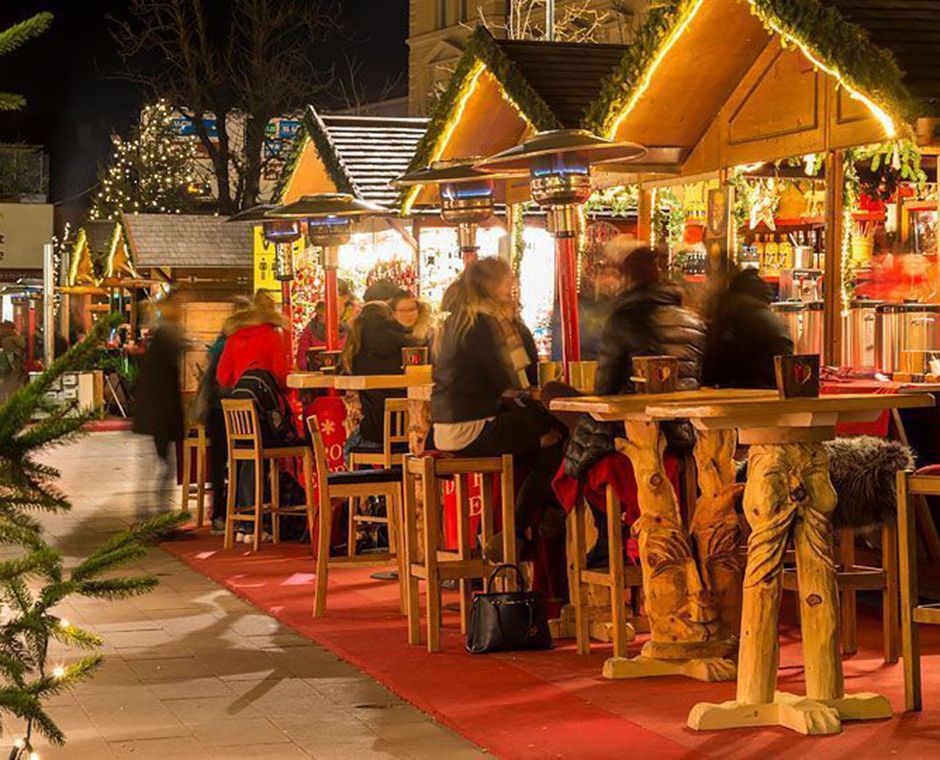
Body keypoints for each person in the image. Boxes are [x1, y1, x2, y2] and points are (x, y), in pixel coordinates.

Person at [432, 257, 563, 554]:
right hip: (474, 426)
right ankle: (516, 531)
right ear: (492, 285)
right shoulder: (484, 324)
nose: (512, 285)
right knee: (556, 440)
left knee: (541, 441)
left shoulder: (458, 320)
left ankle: (496, 533)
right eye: (508, 280)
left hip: (450, 425)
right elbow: (515, 381)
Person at [132, 296, 186, 508]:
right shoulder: (168, 338)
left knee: (157, 464)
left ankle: (150, 511)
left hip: (152, 411)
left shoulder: (159, 339)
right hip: (161, 412)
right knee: (163, 464)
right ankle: (158, 512)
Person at [702, 267, 793, 389]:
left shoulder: (737, 317)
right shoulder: (767, 319)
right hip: (768, 392)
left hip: (748, 392)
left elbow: (721, 363)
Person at [341, 301, 412, 456]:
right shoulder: (405, 343)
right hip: (411, 432)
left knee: (349, 449)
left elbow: (342, 379)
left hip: (374, 431)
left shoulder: (356, 349)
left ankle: (367, 479)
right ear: (390, 318)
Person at [217, 290, 291, 390]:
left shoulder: (234, 337)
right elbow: (280, 372)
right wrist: (286, 388)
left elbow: (223, 377)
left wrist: (240, 382)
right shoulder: (272, 335)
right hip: (266, 396)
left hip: (241, 395)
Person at [295, 279, 359, 368]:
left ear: (345, 298)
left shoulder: (357, 322)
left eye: (333, 296)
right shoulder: (313, 326)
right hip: (318, 379)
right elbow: (302, 359)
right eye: (324, 296)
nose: (327, 300)